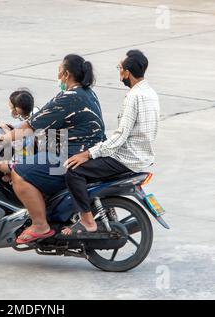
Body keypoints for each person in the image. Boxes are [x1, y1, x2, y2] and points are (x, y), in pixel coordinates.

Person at [0, 54, 106, 244]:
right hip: (86, 150)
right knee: (34, 159)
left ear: (66, 73)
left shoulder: (69, 97)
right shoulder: (87, 92)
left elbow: (29, 127)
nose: (58, 72)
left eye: (60, 69)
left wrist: (4, 138)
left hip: (71, 154)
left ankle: (40, 225)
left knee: (19, 173)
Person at [61, 49, 160, 235]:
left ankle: (87, 221)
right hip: (141, 156)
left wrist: (88, 153)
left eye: (119, 68)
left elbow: (120, 137)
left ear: (127, 73)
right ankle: (103, 209)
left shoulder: (133, 97)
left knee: (73, 171)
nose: (119, 73)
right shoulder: (150, 93)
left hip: (126, 157)